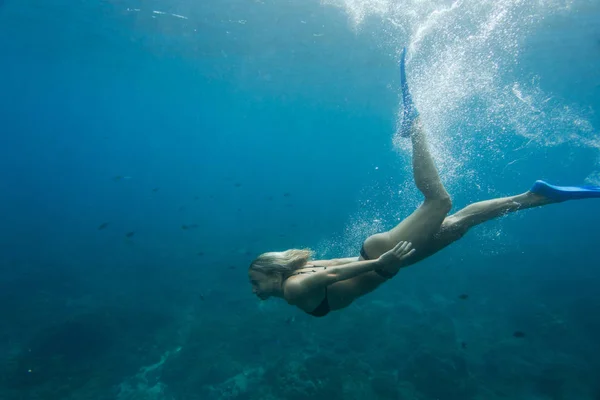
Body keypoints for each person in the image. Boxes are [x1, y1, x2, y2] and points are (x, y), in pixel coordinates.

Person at [248, 48, 600, 318]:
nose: (254, 290)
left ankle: (414, 127)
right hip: (383, 257)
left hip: (384, 256)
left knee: (439, 202)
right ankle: (537, 196)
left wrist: (380, 263)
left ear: (271, 271)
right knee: (462, 223)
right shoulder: (294, 276)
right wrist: (381, 264)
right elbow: (335, 268)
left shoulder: (293, 288)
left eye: (255, 281)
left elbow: (334, 274)